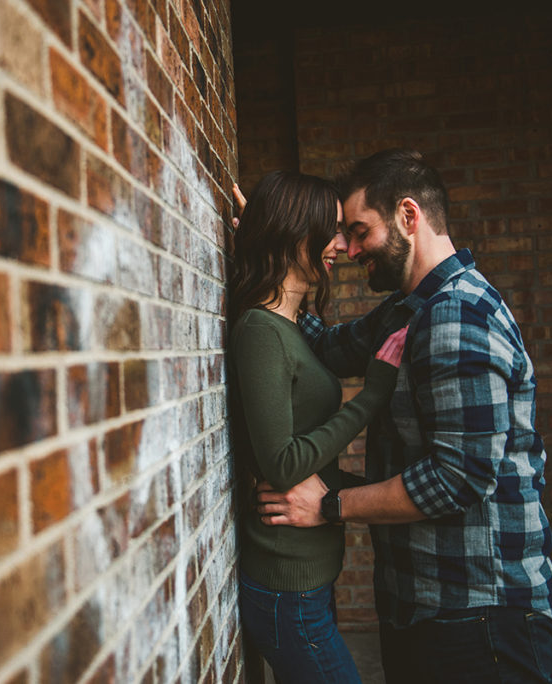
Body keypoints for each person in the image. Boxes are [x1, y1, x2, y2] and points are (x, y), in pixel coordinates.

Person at [251, 149, 552, 683]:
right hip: (425, 607)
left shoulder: (457, 315)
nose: (347, 248)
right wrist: (280, 245)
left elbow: (457, 479)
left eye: (358, 231)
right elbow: (328, 346)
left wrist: (329, 506)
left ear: (408, 216)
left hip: (480, 616)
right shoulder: (409, 308)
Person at [227, 169, 408, 683]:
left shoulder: (288, 327)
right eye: (330, 230)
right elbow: (282, 465)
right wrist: (370, 397)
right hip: (287, 590)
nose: (340, 245)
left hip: (309, 578)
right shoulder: (260, 331)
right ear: (293, 231)